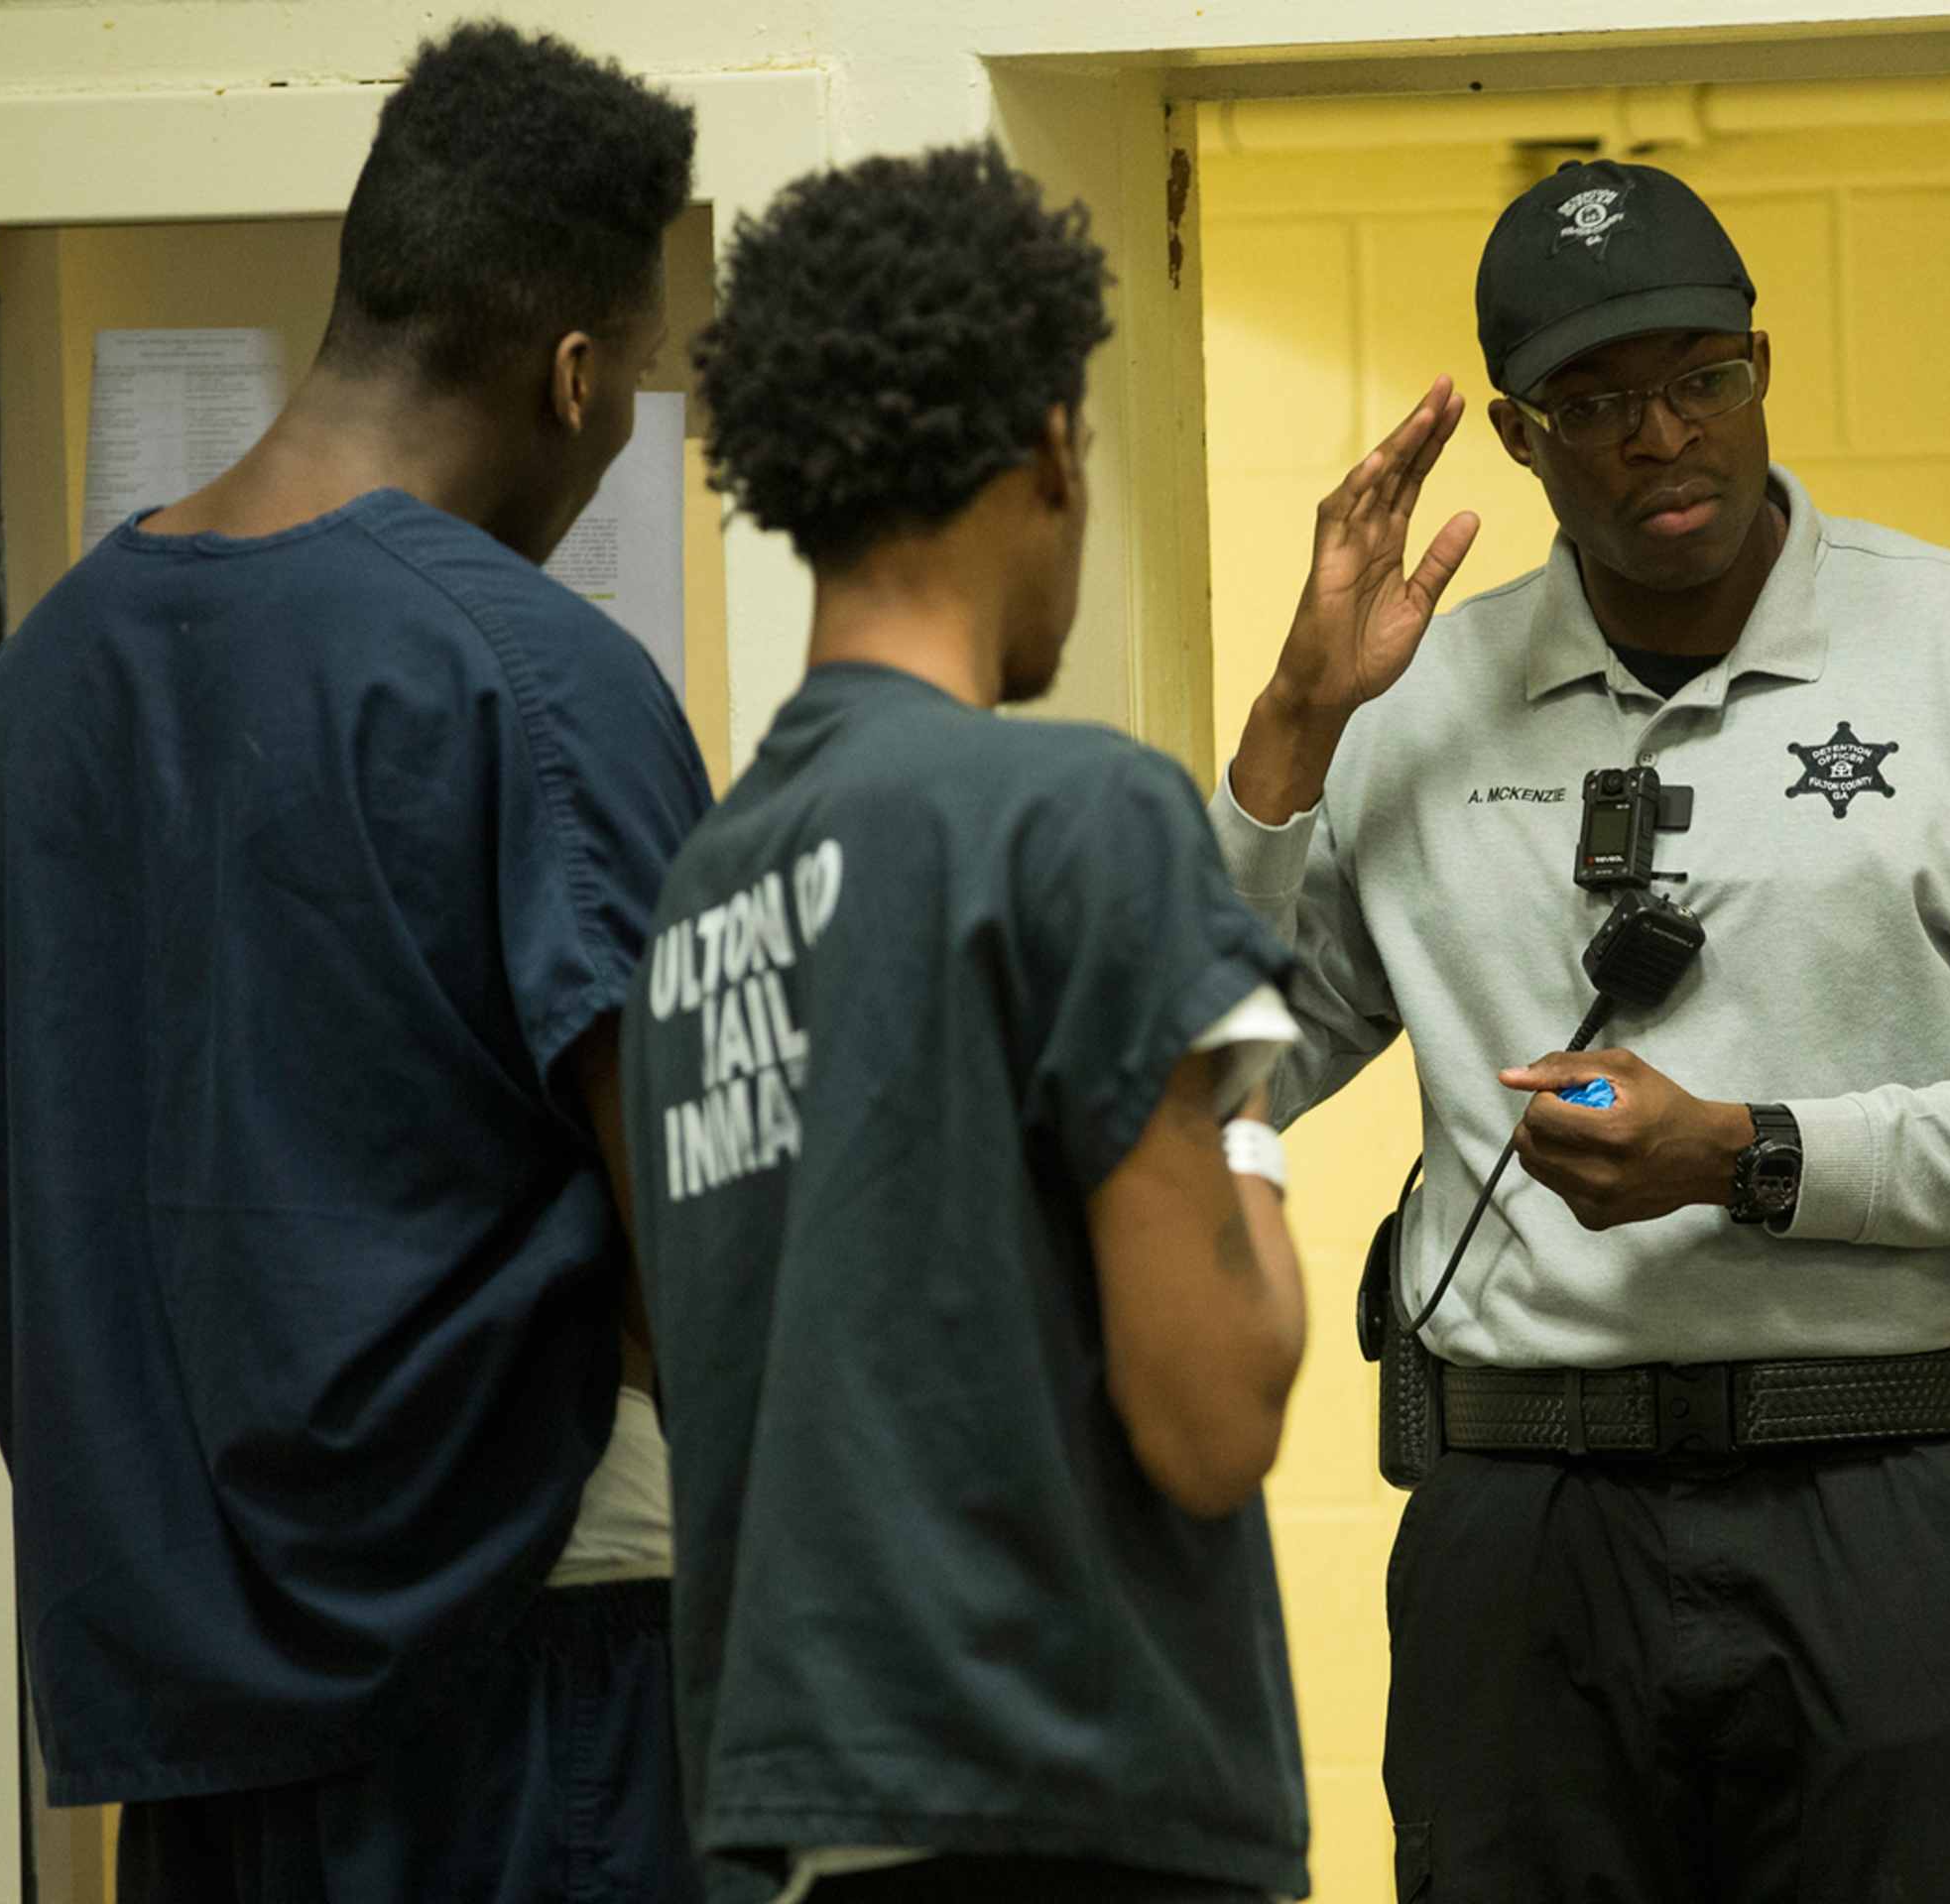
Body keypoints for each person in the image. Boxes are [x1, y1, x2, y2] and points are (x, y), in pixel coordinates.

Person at [1212, 158, 1950, 1897]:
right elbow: (1198, 1085)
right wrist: (1288, 742)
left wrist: (1757, 1154)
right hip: (1527, 1533)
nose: (1660, 434)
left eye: (1702, 379)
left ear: (1764, 368)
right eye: (1596, 403)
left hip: (1901, 1499)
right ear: (1525, 444)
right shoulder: (1412, 705)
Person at [0, 23, 705, 1900]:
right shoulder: (532, 680)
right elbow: (713, 1242)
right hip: (535, 1702)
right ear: (575, 376)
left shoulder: (15, 714)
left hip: (192, 1746)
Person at [631, 145, 1309, 1904]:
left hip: (803, 1822)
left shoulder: (707, 886)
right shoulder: (1077, 818)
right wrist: (1246, 1108)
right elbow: (1216, 1408)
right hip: (1069, 1807)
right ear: (1053, 450)